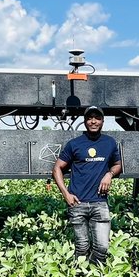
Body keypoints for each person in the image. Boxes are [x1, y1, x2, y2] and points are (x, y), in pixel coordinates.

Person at [53, 106, 122, 265]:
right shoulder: (74, 144)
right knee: (82, 247)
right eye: (89, 118)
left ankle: (94, 276)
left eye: (97, 118)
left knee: (102, 247)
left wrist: (109, 174)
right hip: (78, 203)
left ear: (102, 121)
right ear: (85, 121)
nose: (93, 121)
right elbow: (57, 168)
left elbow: (118, 164)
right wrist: (65, 194)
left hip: (100, 203)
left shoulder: (109, 143)